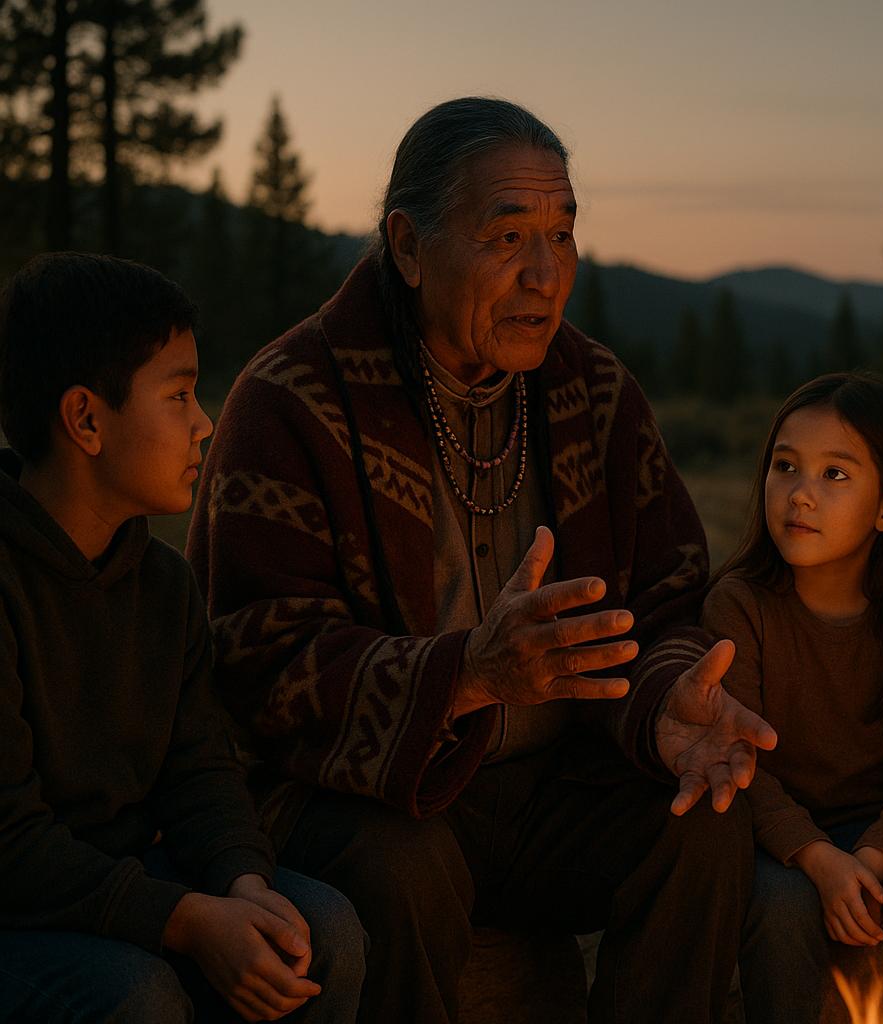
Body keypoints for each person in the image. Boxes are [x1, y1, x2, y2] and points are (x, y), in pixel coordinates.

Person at [185, 97, 777, 1024]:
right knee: (402, 862)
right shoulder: (293, 401)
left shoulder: (596, 393)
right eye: (508, 237)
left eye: (564, 234)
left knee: (701, 822)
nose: (546, 275)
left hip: (549, 795)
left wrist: (666, 704)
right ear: (410, 248)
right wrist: (466, 676)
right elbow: (257, 659)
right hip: (363, 799)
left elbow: (664, 608)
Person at [0, 252, 364, 1023]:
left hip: (135, 876)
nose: (205, 421)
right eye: (178, 393)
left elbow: (201, 770)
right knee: (139, 998)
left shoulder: (163, 585)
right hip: (18, 912)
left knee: (319, 930)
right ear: (87, 420)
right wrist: (189, 921)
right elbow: (11, 844)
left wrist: (244, 887)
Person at [703, 372, 883, 1024]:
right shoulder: (737, 606)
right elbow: (742, 766)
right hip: (776, 838)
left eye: (835, 475)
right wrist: (818, 861)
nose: (800, 494)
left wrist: (868, 861)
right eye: (786, 466)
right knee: (782, 906)